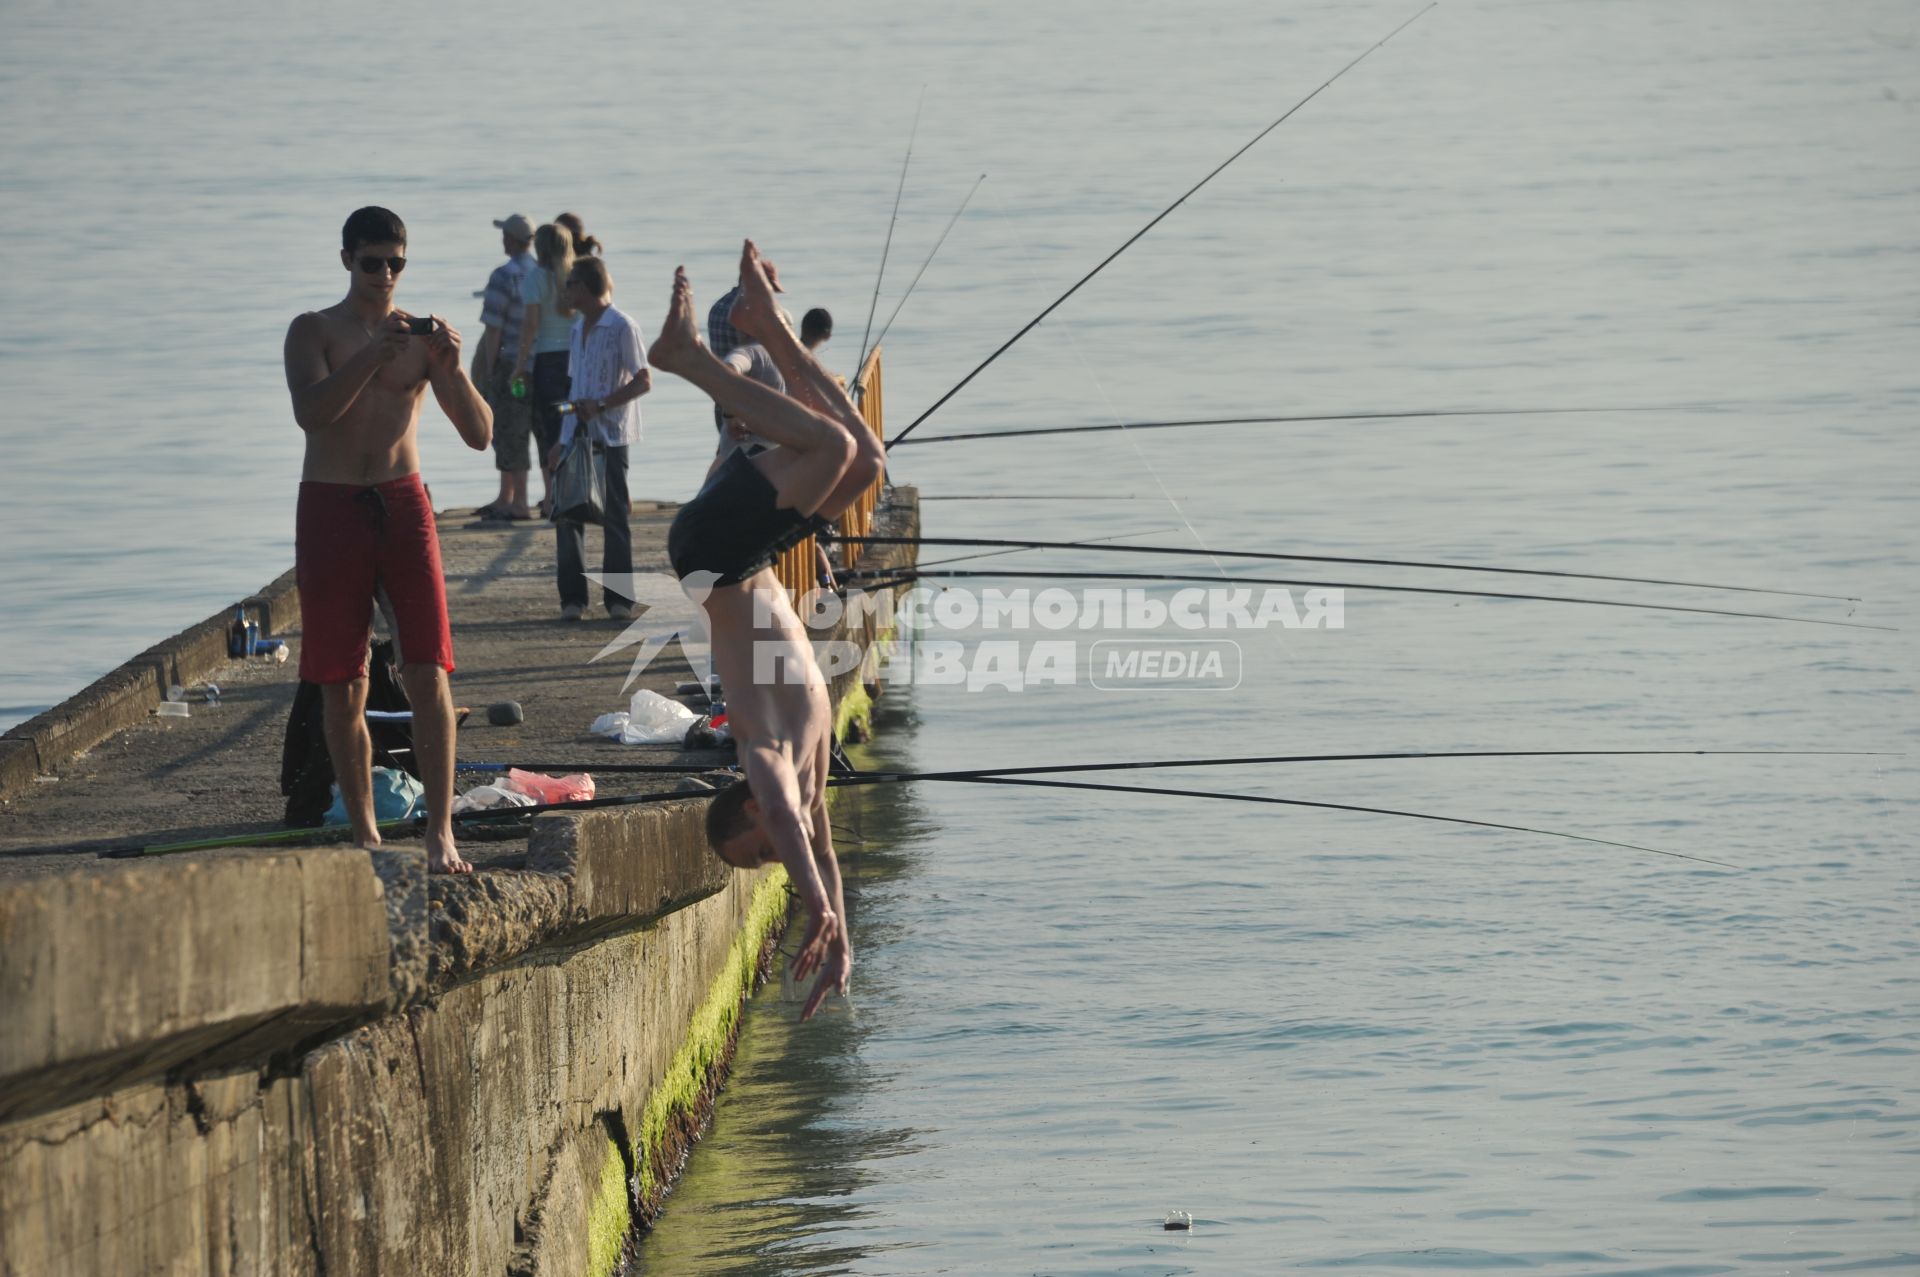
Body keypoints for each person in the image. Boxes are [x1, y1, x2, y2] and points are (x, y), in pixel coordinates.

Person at [649, 242, 884, 1019]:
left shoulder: (765, 757)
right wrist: (839, 929)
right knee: (863, 460)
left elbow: (788, 826)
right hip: (741, 558)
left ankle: (690, 357)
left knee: (834, 447)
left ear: (748, 810)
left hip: (712, 557)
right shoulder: (807, 778)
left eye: (757, 854)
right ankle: (768, 330)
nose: (775, 859)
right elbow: (817, 843)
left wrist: (809, 904)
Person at [281, 206, 492, 875]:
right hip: (332, 504)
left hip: (404, 503)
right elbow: (312, 414)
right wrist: (373, 356)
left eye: (396, 263)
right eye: (372, 262)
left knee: (428, 669)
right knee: (342, 680)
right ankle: (367, 832)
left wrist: (451, 368)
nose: (384, 276)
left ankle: (440, 832)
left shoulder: (422, 343)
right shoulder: (313, 331)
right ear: (347, 260)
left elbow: (482, 433)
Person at [545, 256, 651, 621]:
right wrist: (561, 439)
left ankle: (619, 600)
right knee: (568, 513)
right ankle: (572, 600)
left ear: (587, 288)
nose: (567, 290)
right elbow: (576, 385)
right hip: (577, 432)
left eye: (572, 283)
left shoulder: (622, 326)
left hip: (611, 434)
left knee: (615, 517)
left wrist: (603, 404)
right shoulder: (577, 328)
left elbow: (643, 380)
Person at [510, 224, 577, 517]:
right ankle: (576, 491)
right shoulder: (576, 277)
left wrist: (520, 365)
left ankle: (553, 498)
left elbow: (531, 326)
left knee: (550, 429)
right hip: (576, 362)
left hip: (548, 363)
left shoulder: (536, 278)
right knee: (574, 425)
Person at [476, 213, 537, 520]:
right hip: (542, 363)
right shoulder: (542, 272)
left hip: (511, 361)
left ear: (511, 239)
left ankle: (516, 500)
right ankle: (545, 497)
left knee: (509, 429)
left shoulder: (503, 276)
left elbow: (493, 328)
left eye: (504, 235)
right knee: (539, 429)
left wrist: (489, 369)